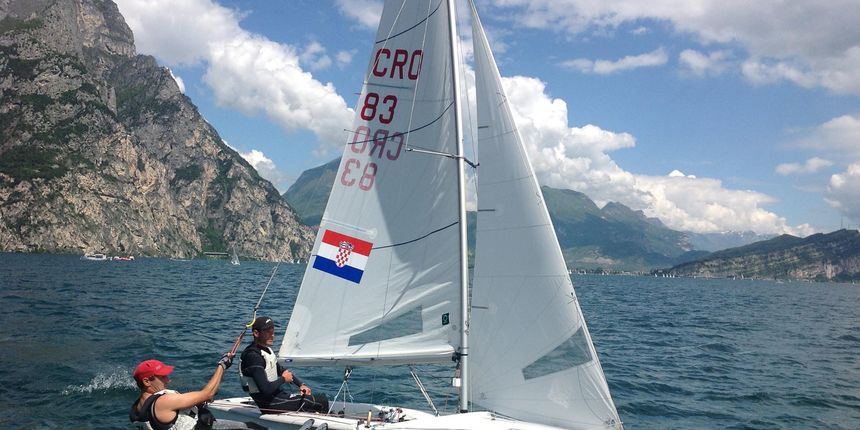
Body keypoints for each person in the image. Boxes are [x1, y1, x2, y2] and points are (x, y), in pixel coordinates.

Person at [129, 355, 252, 430]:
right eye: (162, 377)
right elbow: (208, 393)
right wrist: (222, 365)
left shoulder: (138, 407)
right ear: (146, 381)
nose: (168, 379)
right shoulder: (163, 401)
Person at [240, 316, 329, 414]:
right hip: (269, 404)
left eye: (273, 331)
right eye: (268, 332)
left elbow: (282, 371)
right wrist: (283, 379)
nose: (272, 335)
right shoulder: (253, 357)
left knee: (317, 399)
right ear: (256, 333)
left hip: (277, 397)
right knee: (321, 401)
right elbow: (265, 389)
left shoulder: (265, 350)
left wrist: (301, 385)